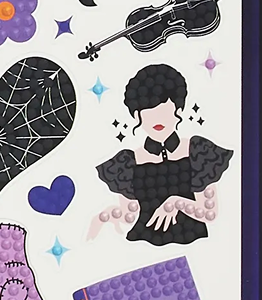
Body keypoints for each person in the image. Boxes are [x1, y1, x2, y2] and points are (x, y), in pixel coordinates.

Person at [94, 64, 232, 248]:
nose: (157, 118)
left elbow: (209, 212)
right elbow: (130, 214)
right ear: (137, 115)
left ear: (178, 110)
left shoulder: (198, 151)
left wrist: (175, 203)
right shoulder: (127, 162)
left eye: (164, 110)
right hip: (142, 247)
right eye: (148, 111)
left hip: (195, 246)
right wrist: (104, 218)